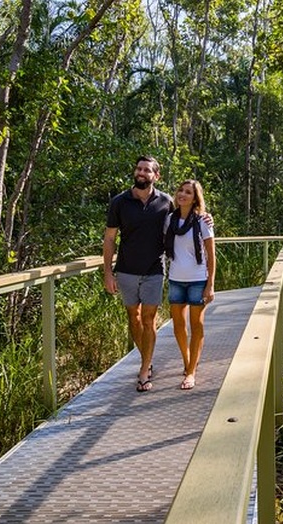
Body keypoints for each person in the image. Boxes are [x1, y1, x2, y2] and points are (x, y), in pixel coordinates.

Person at [103, 155, 172, 392]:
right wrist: (108, 273)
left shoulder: (166, 202)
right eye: (139, 169)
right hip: (126, 270)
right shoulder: (119, 202)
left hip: (154, 269)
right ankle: (147, 359)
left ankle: (144, 371)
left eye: (146, 170)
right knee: (133, 317)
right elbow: (110, 238)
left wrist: (206, 217)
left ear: (156, 175)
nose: (141, 173)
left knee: (149, 318)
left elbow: (185, 220)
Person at [163, 179, 215, 390]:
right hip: (176, 279)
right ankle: (187, 362)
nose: (182, 195)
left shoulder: (202, 221)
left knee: (197, 325)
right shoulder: (169, 220)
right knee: (177, 326)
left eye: (188, 192)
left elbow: (212, 256)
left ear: (195, 198)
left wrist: (210, 285)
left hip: (197, 279)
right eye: (180, 191)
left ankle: (191, 372)